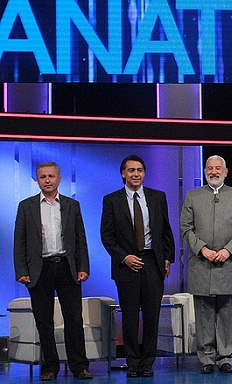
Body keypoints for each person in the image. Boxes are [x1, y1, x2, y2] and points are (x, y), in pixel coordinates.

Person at [13, 162, 93, 381]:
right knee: (43, 320)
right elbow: (19, 241)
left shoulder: (71, 205)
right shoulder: (26, 206)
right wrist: (21, 270)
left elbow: (80, 239)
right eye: (42, 177)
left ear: (59, 179)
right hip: (39, 269)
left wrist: (83, 267)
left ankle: (79, 366)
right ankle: (49, 367)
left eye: (50, 176)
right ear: (37, 180)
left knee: (74, 319)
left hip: (67, 267)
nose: (47, 180)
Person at [100, 155, 175, 378]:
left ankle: (147, 362)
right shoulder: (111, 200)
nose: (136, 174)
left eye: (140, 170)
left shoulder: (157, 197)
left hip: (153, 262)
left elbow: (165, 231)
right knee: (130, 316)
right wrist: (125, 257)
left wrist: (167, 258)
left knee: (152, 316)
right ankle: (132, 362)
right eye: (131, 170)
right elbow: (107, 236)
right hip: (127, 265)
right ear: (123, 173)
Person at [181, 155, 232, 374]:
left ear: (226, 172)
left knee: (227, 314)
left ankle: (225, 357)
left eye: (217, 168)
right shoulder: (193, 196)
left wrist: (227, 250)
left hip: (228, 263)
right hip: (202, 264)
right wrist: (203, 249)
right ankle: (207, 359)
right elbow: (185, 227)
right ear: (205, 172)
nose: (213, 171)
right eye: (209, 168)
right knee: (203, 314)